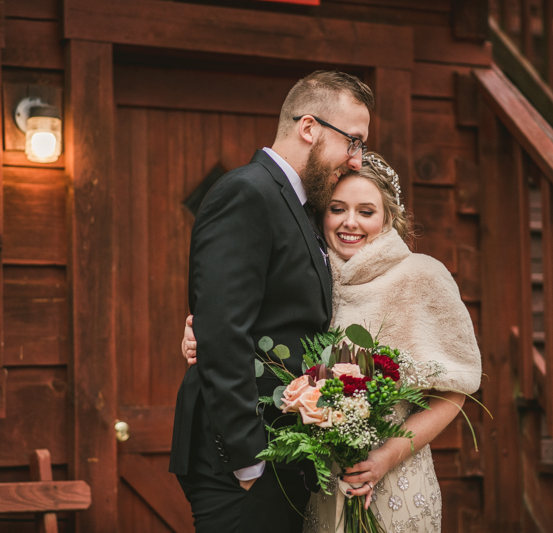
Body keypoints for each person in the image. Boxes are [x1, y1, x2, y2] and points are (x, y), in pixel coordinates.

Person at [182, 153, 483, 533]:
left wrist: (386, 457)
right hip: (318, 486)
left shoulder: (422, 277)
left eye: (366, 211)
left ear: (389, 219)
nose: (349, 222)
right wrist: (201, 334)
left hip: (393, 480)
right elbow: (244, 323)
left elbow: (455, 392)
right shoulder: (311, 279)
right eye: (337, 209)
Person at [169, 70, 374, 533]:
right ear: (309, 128)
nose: (357, 161)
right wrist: (249, 464)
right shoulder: (248, 193)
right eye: (353, 142)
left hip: (282, 457)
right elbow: (223, 333)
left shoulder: (300, 207)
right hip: (241, 460)